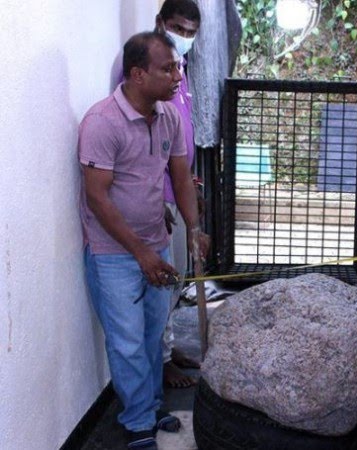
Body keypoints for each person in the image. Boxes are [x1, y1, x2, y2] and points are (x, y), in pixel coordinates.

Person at [79, 31, 210, 450]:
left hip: (154, 243)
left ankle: (152, 407)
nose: (178, 75)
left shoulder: (168, 115)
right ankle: (137, 423)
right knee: (128, 341)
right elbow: (95, 197)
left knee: (153, 335)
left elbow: (180, 177)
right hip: (113, 254)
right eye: (168, 68)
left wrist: (194, 229)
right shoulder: (102, 122)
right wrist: (140, 253)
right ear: (137, 74)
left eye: (178, 66)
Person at [155, 0, 203, 390]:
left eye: (190, 32)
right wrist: (154, 195)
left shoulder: (180, 70)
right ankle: (161, 361)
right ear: (160, 23)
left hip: (181, 186)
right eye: (177, 28)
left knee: (180, 276)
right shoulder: (147, 69)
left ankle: (170, 350)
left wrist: (189, 181)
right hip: (160, 196)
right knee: (164, 278)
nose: (183, 37)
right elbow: (143, 138)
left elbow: (180, 134)